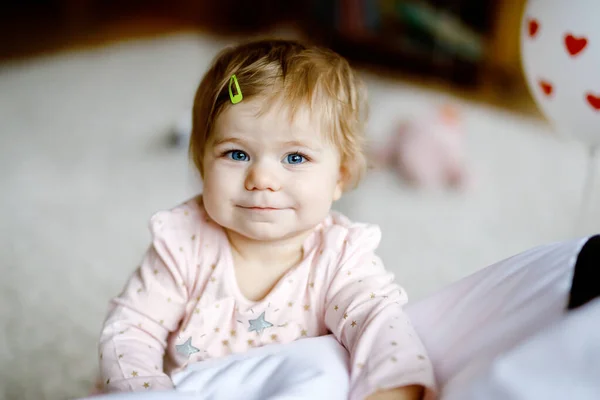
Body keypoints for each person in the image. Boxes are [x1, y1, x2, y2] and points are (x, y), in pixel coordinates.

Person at [97, 38, 437, 400]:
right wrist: (148, 393)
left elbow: (378, 322)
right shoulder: (183, 243)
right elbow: (130, 332)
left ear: (339, 176)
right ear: (200, 162)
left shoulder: (340, 256)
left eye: (294, 158)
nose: (261, 179)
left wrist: (393, 387)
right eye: (237, 153)